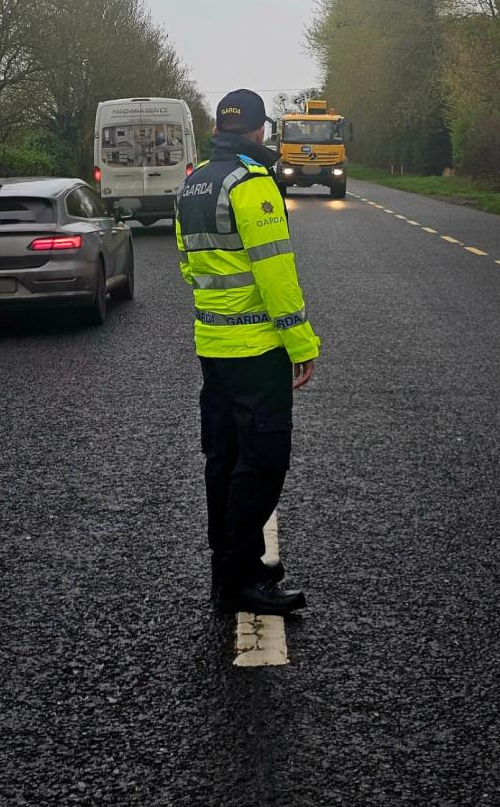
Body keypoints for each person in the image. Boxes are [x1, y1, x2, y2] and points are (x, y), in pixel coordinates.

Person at [174, 89, 321, 615]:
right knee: (263, 462)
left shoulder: (193, 183)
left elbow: (189, 265)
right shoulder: (253, 184)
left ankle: (233, 565)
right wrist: (301, 343)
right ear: (260, 132)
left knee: (225, 458)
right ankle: (240, 578)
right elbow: (275, 271)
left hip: (213, 345)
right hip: (258, 348)